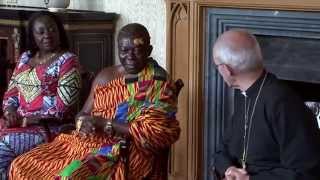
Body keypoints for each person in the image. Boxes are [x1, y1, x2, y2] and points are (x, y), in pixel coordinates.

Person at [9, 23, 181, 180]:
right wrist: (83, 123)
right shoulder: (106, 75)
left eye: (137, 50)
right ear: (118, 50)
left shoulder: (158, 81)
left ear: (149, 50)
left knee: (68, 176)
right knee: (21, 165)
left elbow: (157, 132)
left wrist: (105, 123)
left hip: (123, 150)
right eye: (124, 50)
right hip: (83, 142)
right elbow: (81, 115)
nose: (130, 56)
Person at [212, 30, 320, 180]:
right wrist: (229, 169)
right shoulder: (242, 93)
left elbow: (305, 173)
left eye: (216, 66)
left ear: (226, 70)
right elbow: (224, 149)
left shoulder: (284, 104)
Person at [0, 11, 81, 179]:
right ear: (33, 36)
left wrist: (26, 119)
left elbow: (63, 109)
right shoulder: (25, 58)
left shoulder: (68, 61)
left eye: (52, 30)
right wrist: (9, 111)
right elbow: (12, 92)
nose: (47, 35)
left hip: (50, 130)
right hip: (17, 124)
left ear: (59, 32)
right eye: (41, 31)